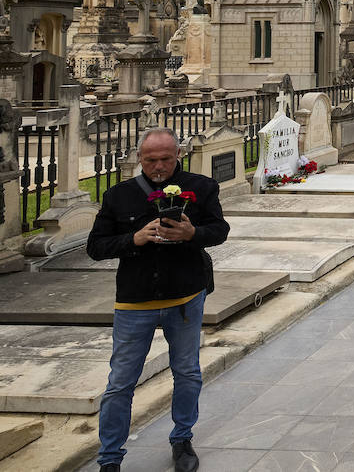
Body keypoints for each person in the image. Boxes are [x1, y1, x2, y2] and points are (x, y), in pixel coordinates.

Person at [87, 126, 229, 472]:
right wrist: (133, 239)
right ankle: (110, 458)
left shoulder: (201, 187)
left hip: (184, 296)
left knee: (187, 372)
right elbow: (95, 247)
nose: (159, 167)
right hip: (135, 300)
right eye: (151, 160)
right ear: (140, 159)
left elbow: (220, 230)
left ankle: (182, 437)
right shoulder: (119, 195)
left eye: (166, 159)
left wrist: (192, 233)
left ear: (178, 156)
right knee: (120, 382)